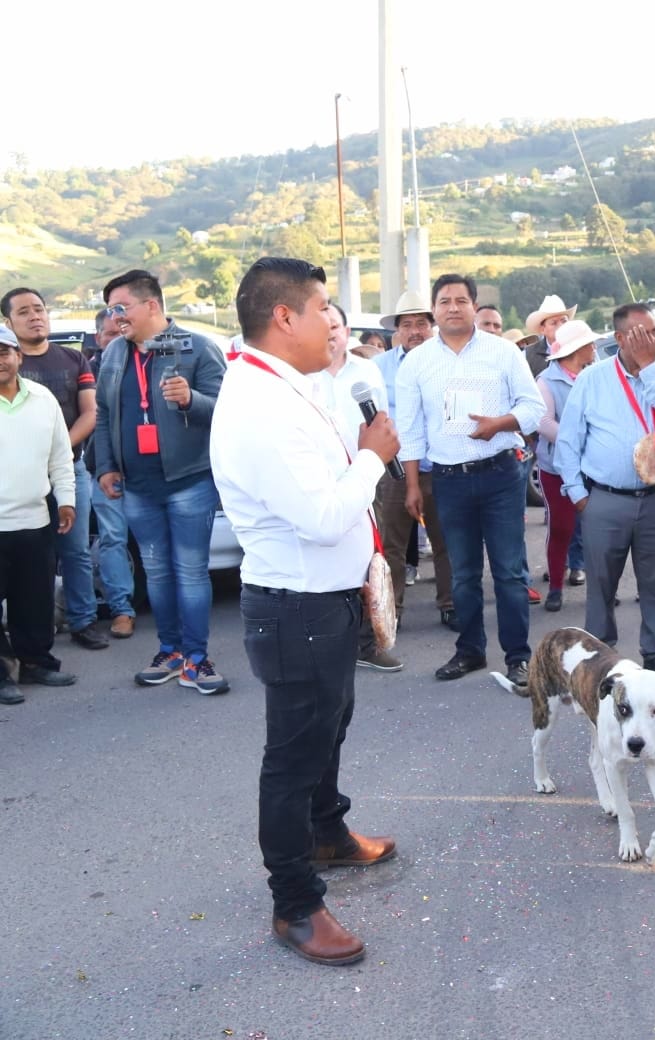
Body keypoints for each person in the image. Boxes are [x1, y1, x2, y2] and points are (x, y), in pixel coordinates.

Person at [211, 256, 401, 968]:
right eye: (323, 306)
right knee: (292, 759)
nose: (334, 320)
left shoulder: (287, 385)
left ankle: (330, 833)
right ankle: (295, 904)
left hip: (324, 599)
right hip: (297, 608)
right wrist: (375, 457)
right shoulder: (259, 406)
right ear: (283, 317)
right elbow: (323, 515)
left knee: (329, 728)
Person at [395, 274, 544, 686]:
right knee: (462, 573)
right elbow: (409, 429)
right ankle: (471, 651)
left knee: (510, 572)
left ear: (475, 307)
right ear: (434, 310)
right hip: (448, 479)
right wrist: (411, 485)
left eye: (462, 300)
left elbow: (532, 407)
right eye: (445, 301)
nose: (453, 307)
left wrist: (501, 423)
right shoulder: (417, 361)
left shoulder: (503, 353)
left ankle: (518, 657)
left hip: (499, 473)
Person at [94, 269, 230, 695]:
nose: (116, 317)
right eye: (111, 310)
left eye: (122, 307)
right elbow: (103, 415)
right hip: (137, 486)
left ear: (152, 305)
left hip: (190, 481)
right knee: (156, 574)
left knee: (190, 573)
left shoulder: (200, 348)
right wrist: (106, 466)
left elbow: (229, 412)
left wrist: (192, 399)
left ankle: (197, 659)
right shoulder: (115, 354)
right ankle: (169, 652)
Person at [555, 302, 655, 673]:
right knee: (600, 583)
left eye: (653, 331)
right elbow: (568, 442)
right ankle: (601, 657)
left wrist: (648, 368)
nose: (652, 339)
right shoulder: (592, 378)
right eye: (640, 333)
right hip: (606, 499)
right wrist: (578, 494)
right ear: (619, 339)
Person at [3, 287, 102, 650]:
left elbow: (90, 412)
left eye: (39, 309)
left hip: (69, 469)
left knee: (74, 551)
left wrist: (57, 451)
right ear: (9, 322)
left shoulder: (73, 360)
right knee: (28, 560)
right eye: (24, 312)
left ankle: (83, 621)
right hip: (17, 480)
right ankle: (32, 631)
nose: (35, 317)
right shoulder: (7, 362)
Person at [312, 301, 400, 673]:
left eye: (337, 326)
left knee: (368, 561)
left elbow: (380, 421)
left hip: (366, 476)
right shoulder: (303, 377)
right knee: (324, 560)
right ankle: (325, 642)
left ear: (348, 332)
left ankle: (368, 642)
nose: (331, 332)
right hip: (320, 479)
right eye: (324, 325)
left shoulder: (367, 372)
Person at [0, 325, 78, 704]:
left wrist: (67, 501)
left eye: (5, 351)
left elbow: (61, 458)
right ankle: (1, 676)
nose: (0, 359)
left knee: (34, 599)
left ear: (18, 356)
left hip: (35, 518)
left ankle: (35, 662)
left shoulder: (43, 398)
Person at [373, 290, 455, 628]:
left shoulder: (449, 360)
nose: (415, 331)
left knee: (446, 541)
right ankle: (393, 612)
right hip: (393, 469)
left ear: (432, 326)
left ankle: (450, 604)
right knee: (389, 546)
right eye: (407, 324)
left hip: (441, 467)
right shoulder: (378, 368)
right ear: (397, 330)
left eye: (422, 323)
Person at [535, 319, 596, 612]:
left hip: (593, 466)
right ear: (577, 349)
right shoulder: (546, 381)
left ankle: (600, 587)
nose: (595, 348)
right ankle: (556, 587)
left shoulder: (595, 374)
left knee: (597, 528)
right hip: (556, 467)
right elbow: (543, 422)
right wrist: (578, 439)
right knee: (561, 527)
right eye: (590, 344)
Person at [88, 307, 135, 639]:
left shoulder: (146, 366)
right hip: (105, 472)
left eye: (122, 332)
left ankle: (173, 610)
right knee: (113, 540)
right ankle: (122, 610)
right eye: (110, 334)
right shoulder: (87, 374)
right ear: (98, 339)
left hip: (148, 472)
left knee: (156, 545)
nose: (117, 340)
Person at [524, 294, 576, 378]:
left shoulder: (581, 346)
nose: (561, 326)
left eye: (564, 321)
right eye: (554, 323)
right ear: (542, 329)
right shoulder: (528, 355)